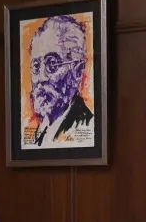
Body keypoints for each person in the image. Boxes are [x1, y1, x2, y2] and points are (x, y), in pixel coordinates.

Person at [25, 15, 94, 148]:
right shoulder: (41, 128)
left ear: (77, 71)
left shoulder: (85, 124)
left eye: (52, 64)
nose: (41, 78)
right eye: (36, 66)